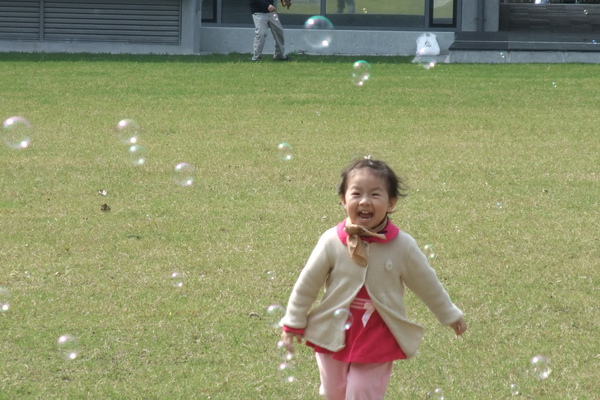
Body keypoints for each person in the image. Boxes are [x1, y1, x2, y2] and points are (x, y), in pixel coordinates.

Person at [280, 157, 467, 400]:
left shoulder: (403, 246)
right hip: (332, 328)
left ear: (391, 203)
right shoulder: (330, 241)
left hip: (377, 330)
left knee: (361, 393)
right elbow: (307, 284)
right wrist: (292, 322)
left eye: (375, 195)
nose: (365, 201)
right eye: (356, 193)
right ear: (343, 200)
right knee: (333, 393)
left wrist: (450, 315)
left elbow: (427, 284)